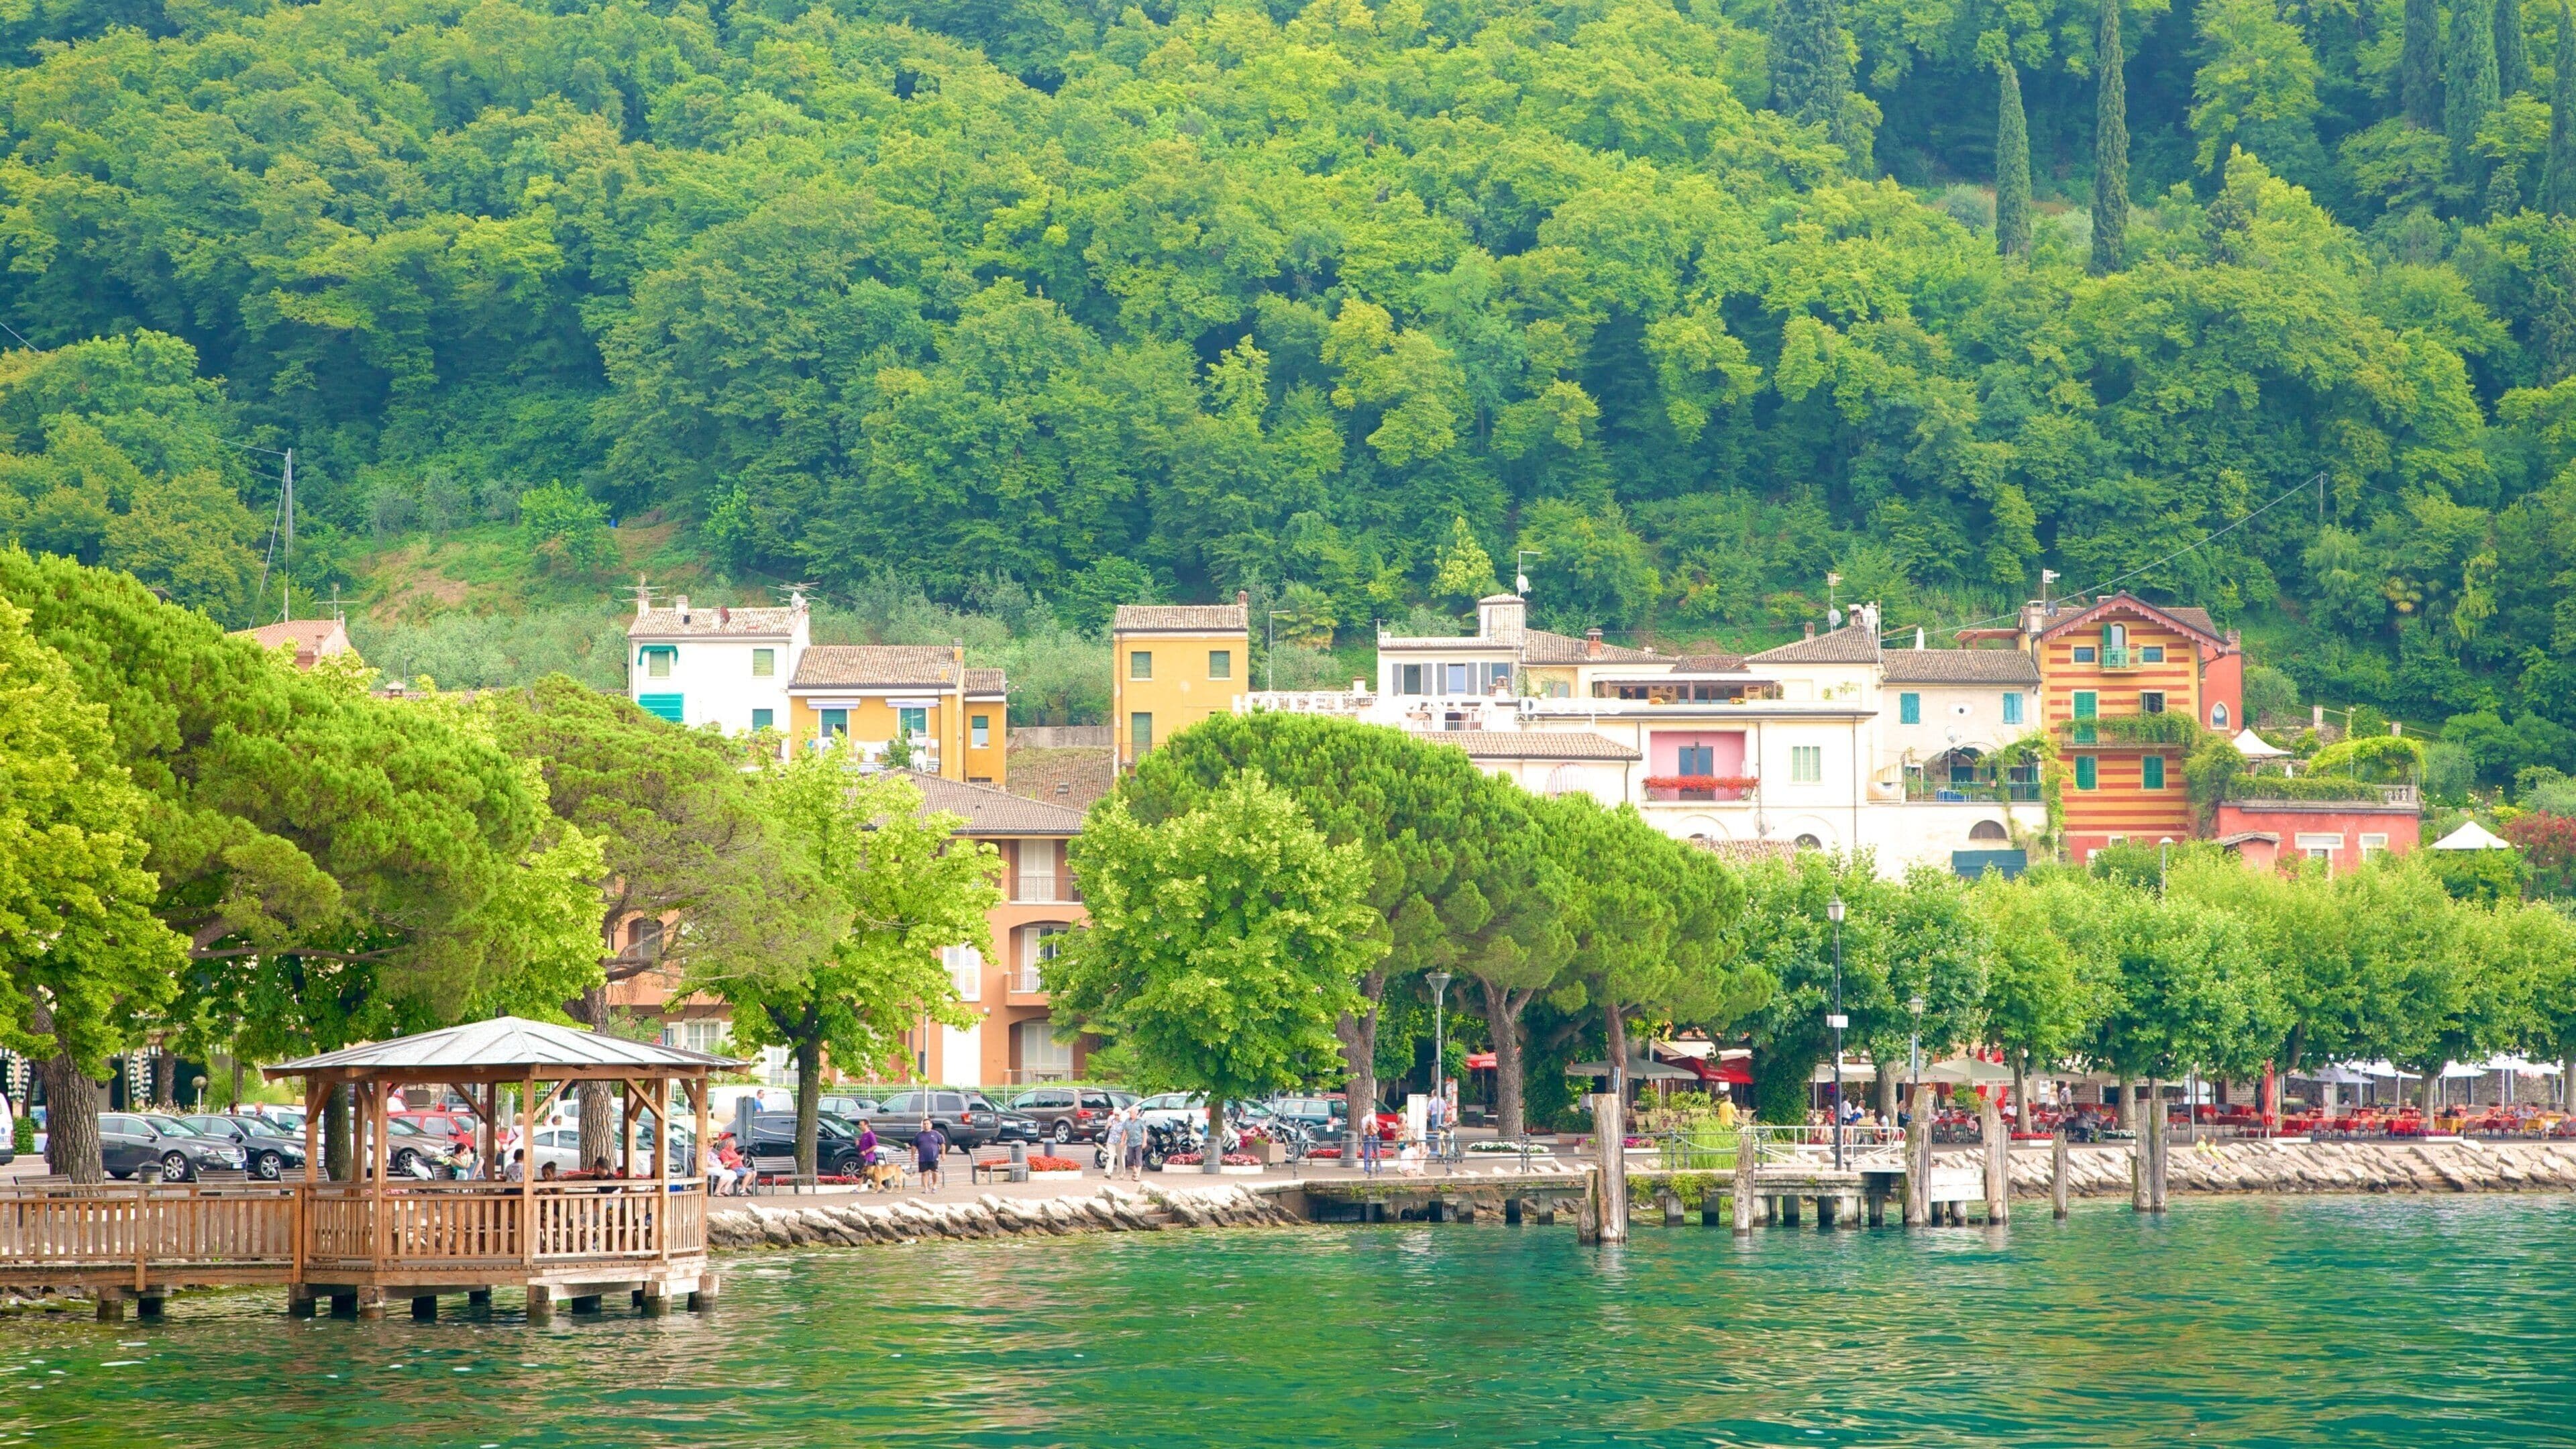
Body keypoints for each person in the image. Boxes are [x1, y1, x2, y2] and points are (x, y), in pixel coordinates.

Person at [912, 1118, 946, 1190]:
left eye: (927, 1124)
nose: (926, 1125)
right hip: (923, 1157)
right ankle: (926, 1188)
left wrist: (943, 1154)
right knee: (924, 1173)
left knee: (934, 1172)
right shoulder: (919, 1135)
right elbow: (914, 1146)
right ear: (922, 1126)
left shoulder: (936, 1134)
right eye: (924, 1124)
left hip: (933, 1157)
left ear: (931, 1125)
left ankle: (934, 1185)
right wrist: (913, 1155)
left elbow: (942, 1144)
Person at [1102, 1108, 1128, 1179]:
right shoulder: (1111, 1120)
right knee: (1111, 1156)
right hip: (1111, 1141)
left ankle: (1122, 1173)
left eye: (1118, 1115)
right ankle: (1108, 1172)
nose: (1116, 1116)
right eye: (1115, 1115)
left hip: (1120, 1142)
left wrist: (1123, 1141)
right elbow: (1106, 1129)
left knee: (1121, 1157)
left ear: (1120, 1115)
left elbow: (1125, 1132)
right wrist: (1108, 1125)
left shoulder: (1123, 1122)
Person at [1122, 1107, 1146, 1181]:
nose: (1130, 1114)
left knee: (1139, 1159)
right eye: (1130, 1113)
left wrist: (1144, 1142)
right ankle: (1135, 1170)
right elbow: (1125, 1131)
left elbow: (1145, 1132)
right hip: (1130, 1143)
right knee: (1129, 1160)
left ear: (1136, 1113)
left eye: (1131, 1113)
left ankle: (1137, 1175)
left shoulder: (1140, 1121)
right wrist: (1122, 1141)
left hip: (1138, 1142)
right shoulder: (1127, 1121)